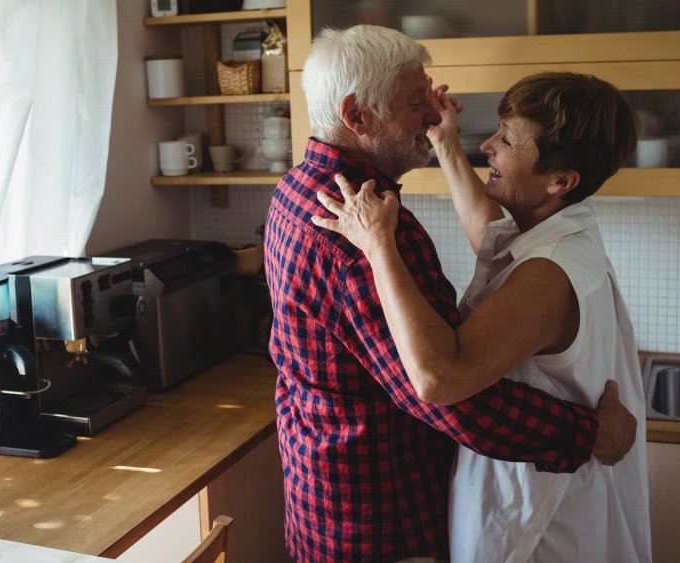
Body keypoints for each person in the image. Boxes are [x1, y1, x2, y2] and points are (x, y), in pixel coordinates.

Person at [263, 25, 637, 562]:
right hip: (382, 517)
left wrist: (443, 146)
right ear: (357, 116)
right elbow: (446, 392)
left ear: (561, 181)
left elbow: (496, 240)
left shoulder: (297, 189)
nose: (436, 116)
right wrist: (592, 433)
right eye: (417, 103)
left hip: (326, 491)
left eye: (506, 138)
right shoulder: (365, 234)